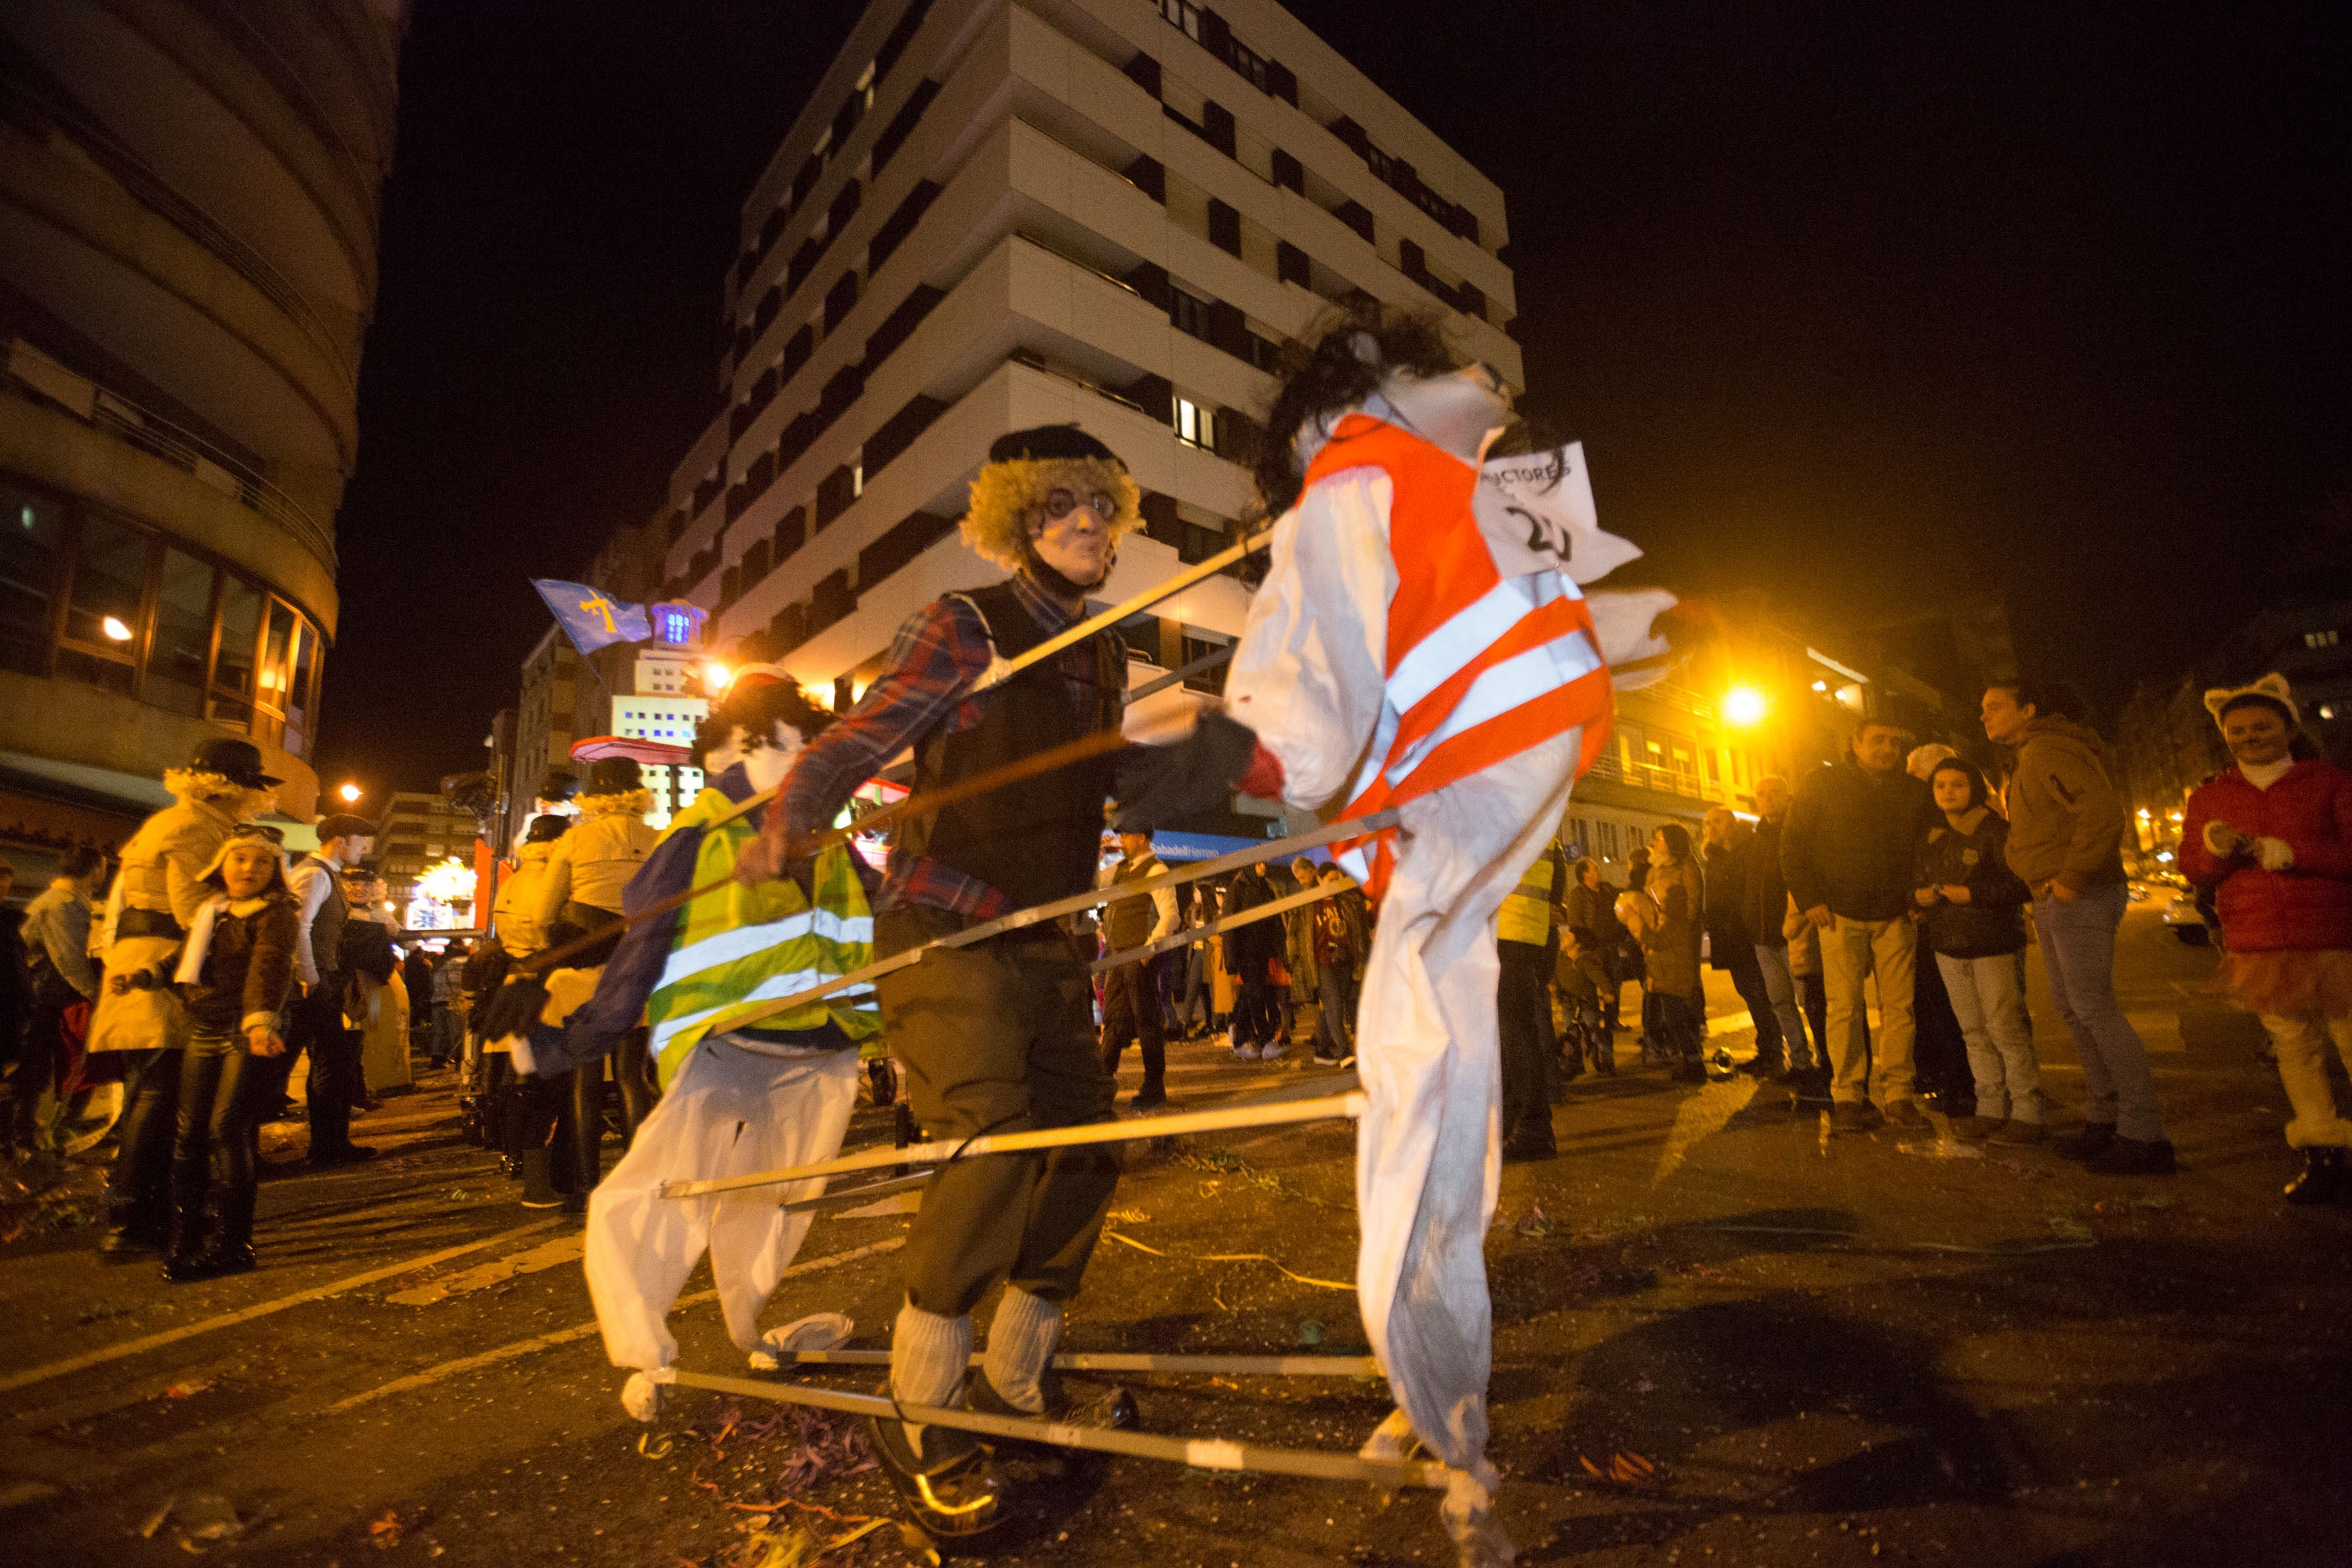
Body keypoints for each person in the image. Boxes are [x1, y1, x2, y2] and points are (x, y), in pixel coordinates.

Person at [1145, 314, 1671, 1564]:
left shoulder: (1340, 477)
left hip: (1468, 763)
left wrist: (1234, 750)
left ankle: (1439, 1396)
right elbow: (1573, 599)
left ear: (1307, 426)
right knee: (1443, 1041)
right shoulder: (1473, 467)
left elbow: (1318, 691)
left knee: (1414, 1077)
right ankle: (1436, 1392)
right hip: (1540, 731)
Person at [739, 425, 1144, 1538]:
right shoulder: (965, 626)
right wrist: (795, 810)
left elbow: (1114, 781)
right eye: (1061, 504)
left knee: (1080, 1147)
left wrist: (1247, 765)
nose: (1086, 524)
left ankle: (1015, 1374)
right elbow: (861, 737)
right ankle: (920, 1407)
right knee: (987, 1143)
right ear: (1018, 517)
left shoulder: (1106, 649)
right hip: (946, 923)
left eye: (1102, 506)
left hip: (1050, 935)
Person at [485, 668, 879, 1418]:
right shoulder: (694, 840)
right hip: (725, 1052)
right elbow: (639, 960)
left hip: (823, 1054)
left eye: (802, 747)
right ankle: (646, 1357)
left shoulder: (829, 839)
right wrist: (558, 1043)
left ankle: (751, 1330)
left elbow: (885, 910)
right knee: (644, 1202)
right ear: (733, 748)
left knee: (774, 1209)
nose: (798, 765)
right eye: (781, 745)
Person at [89, 739, 279, 1253]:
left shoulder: (174, 820)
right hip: (169, 964)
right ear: (231, 788)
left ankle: (137, 1216)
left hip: (146, 962)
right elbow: (195, 908)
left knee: (151, 1090)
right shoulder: (195, 826)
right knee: (156, 1092)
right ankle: (131, 1222)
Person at [1985, 681, 2173, 1173]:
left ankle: (2144, 1133)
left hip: (2078, 894)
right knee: (2073, 1009)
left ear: (2028, 710)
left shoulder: (2049, 750)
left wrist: (2071, 876)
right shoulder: (2031, 755)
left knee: (2093, 1008)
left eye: (1994, 707)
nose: (1984, 717)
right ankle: (2105, 1118)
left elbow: (2102, 812)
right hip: (2054, 894)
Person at [2180, 675, 2352, 1201]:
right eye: (2238, 731)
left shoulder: (2328, 782)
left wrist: (2294, 853)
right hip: (2260, 942)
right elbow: (2194, 868)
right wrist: (2216, 850)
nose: (2249, 737)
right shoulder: (2211, 795)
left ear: (2288, 728)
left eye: (2261, 726)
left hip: (2333, 936)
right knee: (2294, 1048)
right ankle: (2323, 1156)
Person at [151, 826, 299, 1280]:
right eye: (240, 859)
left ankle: (235, 1245)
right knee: (189, 1131)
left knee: (226, 1128)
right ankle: (185, 1239)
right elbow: (186, 959)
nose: (249, 868)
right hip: (205, 1024)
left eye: (262, 862)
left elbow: (269, 968)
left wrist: (259, 1023)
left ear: (275, 871)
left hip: (246, 1027)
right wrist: (143, 976)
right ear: (221, 864)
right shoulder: (211, 911)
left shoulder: (277, 914)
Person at [1782, 717, 1933, 1131]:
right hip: (1839, 915)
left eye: (1894, 742)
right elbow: (1793, 844)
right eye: (1877, 740)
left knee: (1900, 1009)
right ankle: (1848, 1095)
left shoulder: (1912, 792)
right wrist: (1810, 900)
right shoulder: (1822, 783)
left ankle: (1900, 1095)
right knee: (1844, 1009)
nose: (1886, 749)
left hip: (1896, 914)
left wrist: (1920, 895)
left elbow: (1927, 848)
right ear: (1856, 743)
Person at [534, 756, 661, 1175]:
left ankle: (585, 1184)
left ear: (595, 795)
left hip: (585, 973)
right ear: (639, 794)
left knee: (585, 1082)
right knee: (632, 1075)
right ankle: (640, 1178)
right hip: (637, 971)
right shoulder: (659, 839)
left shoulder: (574, 840)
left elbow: (542, 915)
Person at [1915, 757, 2041, 1142]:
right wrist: (1917, 897)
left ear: (1974, 788)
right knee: (1972, 1031)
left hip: (1992, 942)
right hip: (1948, 942)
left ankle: (2028, 1111)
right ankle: (1989, 1106)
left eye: (1957, 784)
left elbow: (2022, 884)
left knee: (2005, 1027)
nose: (1948, 792)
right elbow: (1919, 879)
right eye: (1940, 786)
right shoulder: (1934, 836)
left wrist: (1974, 894)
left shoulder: (1995, 832)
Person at [285, 814, 379, 1166]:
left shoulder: (325, 874)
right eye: (360, 840)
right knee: (322, 1062)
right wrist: (309, 975)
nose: (364, 848)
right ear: (340, 841)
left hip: (320, 980)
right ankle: (327, 1147)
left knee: (330, 1063)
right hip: (312, 983)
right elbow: (298, 925)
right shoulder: (314, 873)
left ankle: (329, 1145)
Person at [14, 846, 105, 1160]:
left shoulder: (66, 901)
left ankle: (39, 1132)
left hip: (47, 992)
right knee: (47, 1064)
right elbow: (68, 956)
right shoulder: (63, 903)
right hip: (46, 995)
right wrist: (95, 993)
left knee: (49, 1064)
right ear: (96, 869)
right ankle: (29, 1134)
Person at [1743, 777, 1820, 1085]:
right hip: (1763, 937)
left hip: (1794, 933)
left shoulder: (1797, 831)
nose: (1767, 799)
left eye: (1774, 793)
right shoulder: (1756, 838)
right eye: (1761, 794)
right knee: (1780, 1002)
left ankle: (1826, 1062)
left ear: (1788, 796)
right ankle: (1801, 1062)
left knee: (1810, 1002)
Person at [1702, 807, 1786, 1076]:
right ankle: (1769, 1047)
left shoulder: (1747, 850)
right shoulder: (1714, 856)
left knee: (1760, 993)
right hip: (1728, 935)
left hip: (1746, 933)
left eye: (1717, 822)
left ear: (1732, 826)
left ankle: (1772, 1050)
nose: (1711, 827)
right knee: (1749, 992)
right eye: (1708, 823)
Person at [1497, 838, 1566, 1157]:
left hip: (1508, 933)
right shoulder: (1538, 821)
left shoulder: (1508, 815)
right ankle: (1512, 1120)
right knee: (1510, 1035)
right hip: (1523, 934)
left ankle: (1534, 1127)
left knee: (1515, 1035)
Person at [1098, 829, 1178, 1106]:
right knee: (1112, 1019)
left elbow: (1171, 916)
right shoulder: (1120, 869)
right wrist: (1098, 853)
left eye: (1127, 835)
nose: (1121, 840)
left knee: (1147, 1022)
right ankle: (1101, 1084)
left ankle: (1154, 1087)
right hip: (1118, 954)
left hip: (1138, 955)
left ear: (1143, 838)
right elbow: (1093, 882)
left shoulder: (1156, 870)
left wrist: (1148, 951)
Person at [1627, 825, 1707, 1081]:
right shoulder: (1654, 869)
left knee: (1679, 1002)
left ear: (1672, 842)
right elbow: (1647, 903)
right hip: (1657, 939)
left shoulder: (1687, 867)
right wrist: (1647, 933)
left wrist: (1669, 927)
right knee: (1663, 1001)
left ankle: (1691, 1054)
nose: (1656, 842)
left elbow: (1691, 906)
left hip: (1676, 940)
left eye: (1659, 839)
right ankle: (1679, 1051)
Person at [1222, 861, 1287, 1062]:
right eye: (1259, 863)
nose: (1263, 866)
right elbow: (1229, 925)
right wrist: (1231, 957)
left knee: (1249, 994)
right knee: (1256, 994)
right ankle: (1265, 1041)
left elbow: (1275, 919)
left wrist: (1279, 948)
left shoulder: (1264, 887)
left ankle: (1237, 1034)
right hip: (1245, 952)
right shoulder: (1237, 889)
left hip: (1262, 951)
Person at [1566, 857, 1627, 1035]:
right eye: (1594, 869)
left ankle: (1612, 1020)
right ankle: (1590, 1022)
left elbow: (1622, 902)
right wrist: (1585, 943)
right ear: (1585, 874)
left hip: (1610, 944)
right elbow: (1575, 923)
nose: (1598, 871)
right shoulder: (1577, 895)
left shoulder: (1607, 890)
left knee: (1614, 983)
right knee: (1590, 985)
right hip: (1591, 948)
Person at [1312, 865, 1362, 1065]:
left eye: (1338, 878)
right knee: (1333, 1004)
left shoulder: (1346, 901)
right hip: (1323, 960)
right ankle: (1344, 1053)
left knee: (1339, 1003)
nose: (1336, 883)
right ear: (1320, 879)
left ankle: (1322, 1050)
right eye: (1331, 879)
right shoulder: (1310, 903)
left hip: (1345, 958)